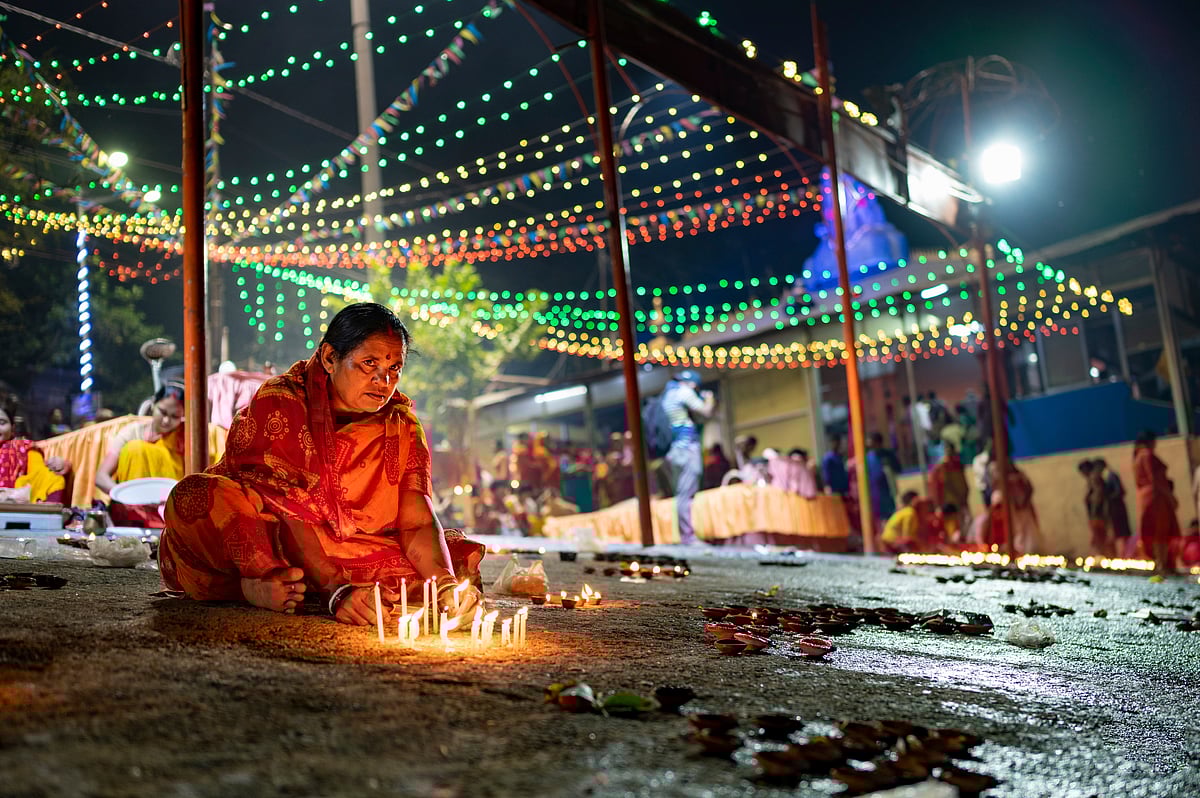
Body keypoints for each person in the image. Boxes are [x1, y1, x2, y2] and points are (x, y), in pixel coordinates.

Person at [159, 303, 484, 625]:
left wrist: (444, 584)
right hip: (271, 536)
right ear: (330, 358)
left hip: (345, 546)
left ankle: (289, 587)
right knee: (197, 497)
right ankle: (255, 582)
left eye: (395, 368)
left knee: (448, 564)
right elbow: (287, 511)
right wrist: (335, 591)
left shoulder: (401, 424)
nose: (383, 380)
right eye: (368, 363)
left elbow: (417, 520)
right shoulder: (282, 401)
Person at [95, 383, 188, 526]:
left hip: (168, 514)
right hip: (131, 512)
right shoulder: (132, 432)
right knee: (135, 448)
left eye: (175, 416)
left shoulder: (186, 438)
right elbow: (101, 477)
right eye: (162, 412)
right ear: (153, 405)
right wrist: (125, 496)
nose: (166, 421)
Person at [660, 370, 715, 544]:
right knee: (686, 494)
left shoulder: (668, 395)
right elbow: (706, 412)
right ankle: (688, 537)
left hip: (675, 451)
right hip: (686, 449)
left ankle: (686, 535)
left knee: (682, 493)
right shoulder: (684, 392)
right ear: (692, 384)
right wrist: (709, 399)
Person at [0, 398, 69, 504]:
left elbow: (40, 473)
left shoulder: (24, 446)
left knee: (53, 477)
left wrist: (59, 464)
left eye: (2, 423)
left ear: (12, 428)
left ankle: (50, 512)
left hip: (16, 498)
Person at [1132, 430, 1180, 573]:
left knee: (1152, 531)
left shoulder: (1137, 457)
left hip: (1145, 497)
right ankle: (1162, 563)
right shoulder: (1147, 455)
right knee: (1160, 531)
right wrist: (1170, 497)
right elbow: (1155, 479)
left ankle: (1158, 563)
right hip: (1155, 497)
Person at [929, 443, 971, 535]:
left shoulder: (958, 464)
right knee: (953, 527)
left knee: (966, 523)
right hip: (950, 502)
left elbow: (963, 480)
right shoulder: (942, 466)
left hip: (961, 499)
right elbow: (944, 484)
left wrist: (965, 494)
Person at [1078, 460, 1112, 558]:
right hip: (1096, 513)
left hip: (1097, 513)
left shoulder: (1094, 478)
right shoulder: (1093, 478)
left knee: (1100, 537)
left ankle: (1104, 556)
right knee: (1099, 536)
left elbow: (1098, 495)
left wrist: (1094, 510)